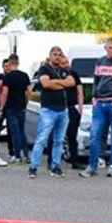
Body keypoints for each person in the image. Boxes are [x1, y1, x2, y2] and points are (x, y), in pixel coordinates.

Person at [82, 37, 112, 177]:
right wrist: (93, 96)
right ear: (105, 48)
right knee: (94, 135)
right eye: (110, 48)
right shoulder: (100, 61)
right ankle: (92, 166)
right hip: (100, 102)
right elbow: (96, 80)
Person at [29, 47, 74, 178]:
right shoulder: (44, 69)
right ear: (49, 56)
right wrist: (62, 84)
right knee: (41, 139)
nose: (57, 57)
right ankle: (33, 167)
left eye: (60, 55)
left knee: (59, 140)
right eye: (55, 54)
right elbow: (46, 84)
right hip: (48, 110)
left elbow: (71, 82)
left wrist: (57, 82)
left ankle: (56, 166)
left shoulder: (64, 70)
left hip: (63, 110)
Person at [0, 54, 31, 163]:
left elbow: (4, 93)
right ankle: (27, 155)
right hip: (21, 106)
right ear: (18, 62)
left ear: (10, 63)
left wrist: (1, 108)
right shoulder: (25, 75)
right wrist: (25, 103)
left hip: (10, 107)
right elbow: (28, 92)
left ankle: (17, 156)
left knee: (14, 132)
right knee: (22, 131)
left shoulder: (7, 77)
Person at [64, 64, 85, 170]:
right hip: (59, 108)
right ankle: (52, 161)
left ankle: (75, 161)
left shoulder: (74, 75)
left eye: (67, 63)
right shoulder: (55, 73)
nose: (66, 65)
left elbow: (79, 91)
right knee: (54, 136)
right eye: (63, 63)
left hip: (72, 107)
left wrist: (80, 107)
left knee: (72, 135)